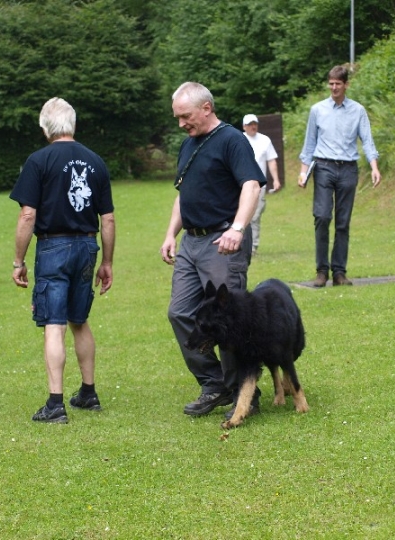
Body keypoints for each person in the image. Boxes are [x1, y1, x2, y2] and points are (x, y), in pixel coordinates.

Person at [160, 82, 266, 419]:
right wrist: (170, 233)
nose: (181, 124)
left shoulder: (233, 140)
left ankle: (244, 392)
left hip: (222, 241)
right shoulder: (188, 145)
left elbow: (251, 185)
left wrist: (237, 227)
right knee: (180, 312)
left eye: (185, 116)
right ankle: (214, 383)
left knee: (230, 321)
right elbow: (184, 192)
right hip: (191, 242)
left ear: (206, 108)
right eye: (177, 118)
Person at [10, 97, 115, 425]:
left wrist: (18, 260)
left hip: (54, 248)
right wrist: (107, 262)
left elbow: (28, 214)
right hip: (87, 247)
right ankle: (89, 392)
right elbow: (108, 220)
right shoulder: (95, 161)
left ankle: (55, 404)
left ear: (45, 128)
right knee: (79, 320)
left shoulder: (38, 161)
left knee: (54, 324)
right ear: (73, 125)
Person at [298, 65, 381, 287]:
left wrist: (374, 166)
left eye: (338, 84)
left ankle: (339, 272)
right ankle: (321, 271)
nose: (334, 88)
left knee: (343, 222)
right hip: (323, 167)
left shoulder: (358, 111)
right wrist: (303, 172)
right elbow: (309, 143)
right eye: (331, 84)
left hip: (348, 169)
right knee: (322, 216)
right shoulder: (317, 110)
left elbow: (368, 140)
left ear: (346, 85)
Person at [242, 114, 282, 255]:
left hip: (259, 186)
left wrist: (276, 179)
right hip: (240, 185)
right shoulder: (239, 140)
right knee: (240, 215)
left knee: (255, 215)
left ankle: (253, 246)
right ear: (244, 126)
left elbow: (271, 160)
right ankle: (240, 243)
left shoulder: (265, 140)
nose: (253, 126)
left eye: (255, 124)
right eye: (250, 124)